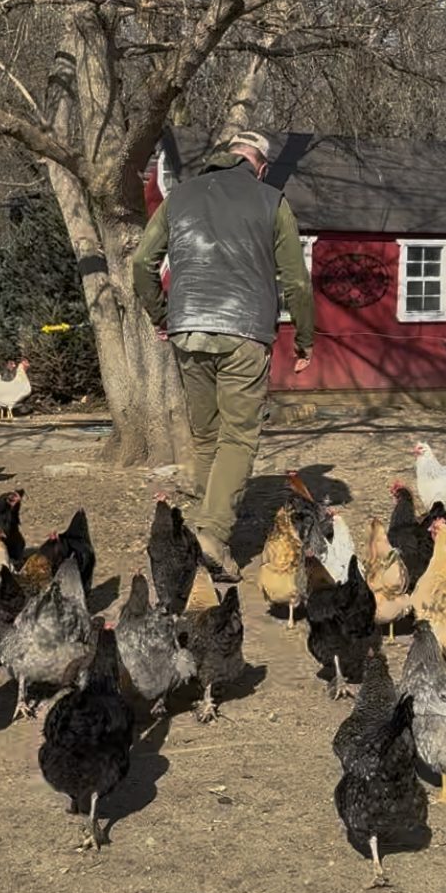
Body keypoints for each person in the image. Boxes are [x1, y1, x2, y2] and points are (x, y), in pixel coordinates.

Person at [132, 131, 314, 580]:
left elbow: (141, 263)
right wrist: (305, 340)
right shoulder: (271, 200)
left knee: (206, 434)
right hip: (245, 330)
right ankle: (212, 530)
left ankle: (206, 536)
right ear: (261, 166)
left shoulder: (180, 197)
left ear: (225, 156)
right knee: (237, 436)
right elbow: (298, 282)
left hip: (189, 327)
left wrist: (162, 315)